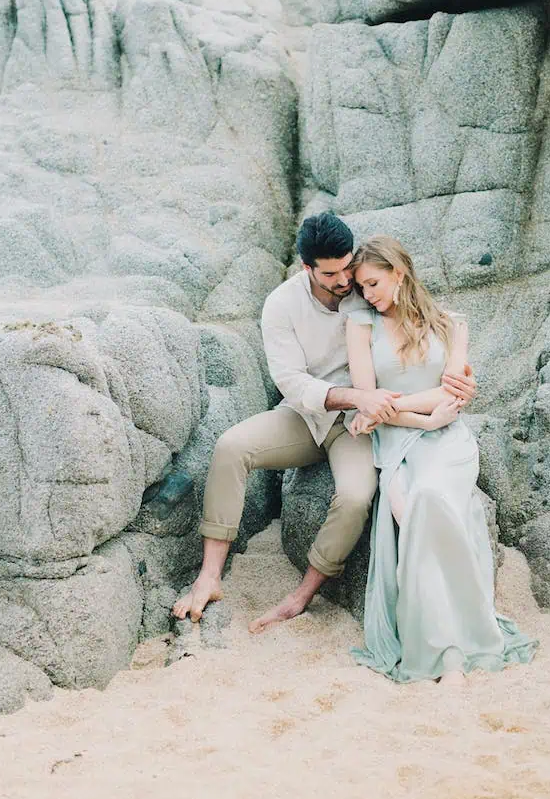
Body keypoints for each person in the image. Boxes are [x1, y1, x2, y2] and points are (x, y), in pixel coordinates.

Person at [172, 214, 477, 629]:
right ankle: (209, 576)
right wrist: (358, 396)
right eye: (330, 273)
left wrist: (457, 382)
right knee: (230, 447)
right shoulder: (282, 304)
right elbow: (291, 382)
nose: (344, 281)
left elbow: (423, 321)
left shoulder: (366, 291)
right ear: (307, 268)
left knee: (354, 497)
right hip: (309, 415)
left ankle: (302, 594)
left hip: (361, 427)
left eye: (346, 268)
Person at [346, 236, 537, 685]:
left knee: (433, 495)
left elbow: (454, 392)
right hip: (397, 443)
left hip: (449, 443)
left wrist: (415, 413)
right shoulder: (360, 326)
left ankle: (454, 650)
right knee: (416, 512)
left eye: (373, 283)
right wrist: (423, 418)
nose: (368, 295)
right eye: (361, 288)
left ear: (398, 272)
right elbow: (371, 401)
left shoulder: (451, 324)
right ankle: (446, 652)